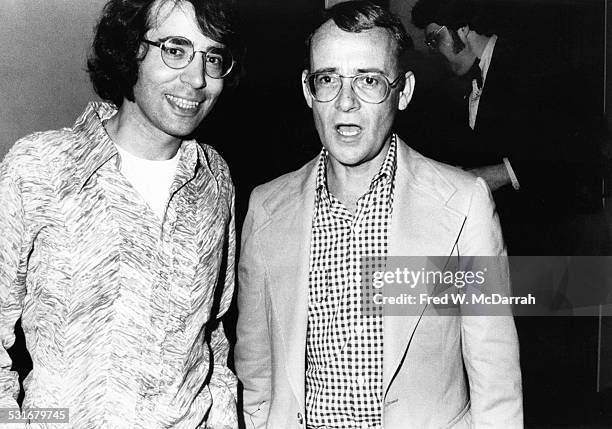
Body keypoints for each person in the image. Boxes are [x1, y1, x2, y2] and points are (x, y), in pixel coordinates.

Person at [234, 2, 522, 428]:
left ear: (403, 91)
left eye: (368, 80)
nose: (345, 102)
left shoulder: (464, 205)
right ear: (307, 88)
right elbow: (256, 373)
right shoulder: (265, 207)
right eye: (328, 79)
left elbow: (495, 382)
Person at [0, 0, 242, 427]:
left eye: (213, 56)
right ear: (131, 51)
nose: (197, 78)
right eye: (175, 49)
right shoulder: (39, 167)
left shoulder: (215, 180)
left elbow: (212, 337)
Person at [410, 0, 584, 256]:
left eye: (435, 39)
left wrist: (497, 174)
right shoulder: (472, 78)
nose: (434, 51)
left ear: (464, 29)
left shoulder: (532, 64)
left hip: (544, 244)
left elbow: (571, 149)